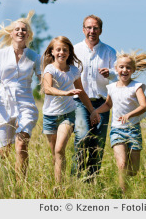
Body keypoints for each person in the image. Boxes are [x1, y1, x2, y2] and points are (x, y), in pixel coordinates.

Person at [90, 50, 146, 192]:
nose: (124, 70)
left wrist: (130, 115)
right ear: (116, 69)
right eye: (121, 67)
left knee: (133, 170)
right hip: (117, 130)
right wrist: (96, 111)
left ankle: (129, 183)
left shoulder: (136, 87)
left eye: (128, 67)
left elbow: (144, 106)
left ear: (133, 70)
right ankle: (123, 194)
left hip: (133, 130)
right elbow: (108, 105)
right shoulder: (111, 87)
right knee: (121, 164)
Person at [0, 10, 41, 179]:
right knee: (3, 150)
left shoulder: (35, 57)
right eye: (17, 29)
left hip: (26, 104)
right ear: (11, 33)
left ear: (28, 35)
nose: (20, 32)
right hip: (3, 104)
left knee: (21, 147)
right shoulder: (0, 54)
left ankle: (20, 185)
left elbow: (44, 79)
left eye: (24, 30)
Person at [42, 36, 99, 183]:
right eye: (58, 50)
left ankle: (59, 187)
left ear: (69, 52)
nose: (62, 52)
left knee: (60, 149)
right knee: (54, 154)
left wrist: (92, 110)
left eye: (65, 50)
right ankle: (57, 183)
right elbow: (47, 89)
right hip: (49, 116)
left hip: (67, 114)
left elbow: (82, 92)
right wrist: (65, 93)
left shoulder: (73, 70)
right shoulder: (49, 69)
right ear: (52, 52)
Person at [72, 14, 117, 178]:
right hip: (79, 102)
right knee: (82, 137)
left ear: (101, 30)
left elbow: (119, 75)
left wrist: (110, 73)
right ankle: (75, 176)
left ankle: (92, 179)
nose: (92, 31)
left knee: (97, 142)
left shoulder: (109, 51)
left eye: (95, 28)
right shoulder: (74, 50)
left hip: (102, 103)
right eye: (89, 27)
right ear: (83, 30)